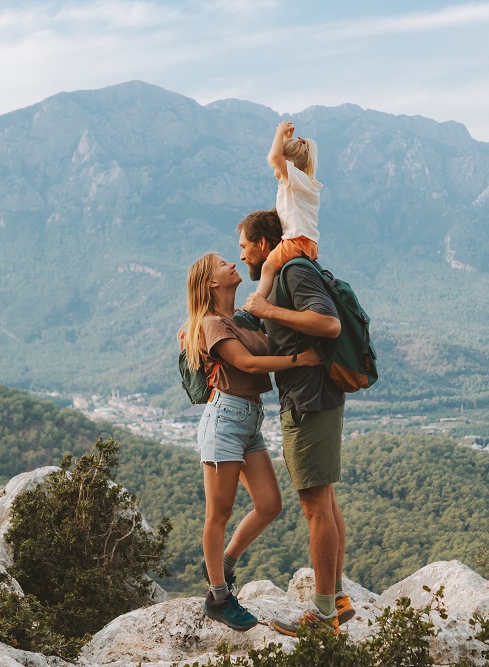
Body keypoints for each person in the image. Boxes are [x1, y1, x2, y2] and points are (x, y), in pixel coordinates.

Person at [180, 252, 321, 631]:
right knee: (219, 513)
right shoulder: (210, 324)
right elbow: (248, 364)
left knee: (270, 504)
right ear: (212, 282)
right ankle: (219, 597)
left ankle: (224, 563)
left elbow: (264, 283)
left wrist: (277, 257)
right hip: (224, 420)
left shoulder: (239, 319)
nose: (232, 264)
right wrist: (299, 359)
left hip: (248, 421)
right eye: (224, 264)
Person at [237, 209, 354, 636]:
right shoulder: (284, 277)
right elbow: (268, 325)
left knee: (315, 507)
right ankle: (336, 598)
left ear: (264, 245)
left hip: (310, 399)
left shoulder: (294, 272)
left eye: (245, 247)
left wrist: (270, 307)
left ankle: (323, 616)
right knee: (325, 499)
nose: (244, 257)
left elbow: (328, 323)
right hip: (310, 397)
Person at [234, 121, 322, 332]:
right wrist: (285, 140)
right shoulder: (303, 184)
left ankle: (254, 311)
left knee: (267, 267)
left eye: (278, 168)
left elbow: (274, 157)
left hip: (295, 240)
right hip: (306, 241)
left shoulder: (295, 181)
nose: (275, 172)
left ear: (289, 163)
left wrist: (279, 133)